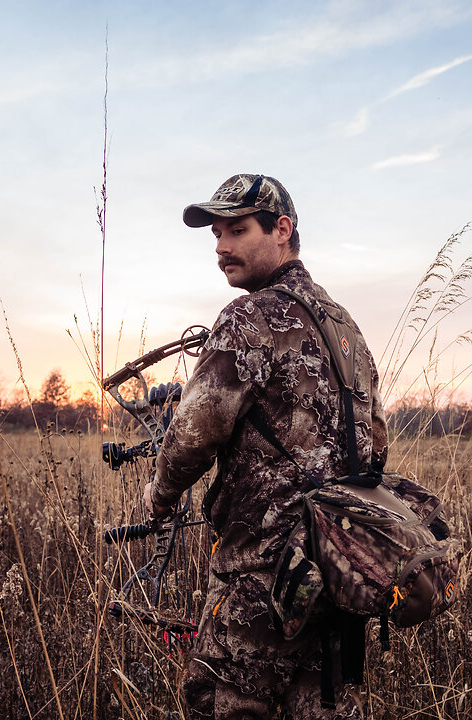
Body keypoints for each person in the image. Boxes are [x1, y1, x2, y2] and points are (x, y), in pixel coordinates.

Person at [142, 174, 388, 718]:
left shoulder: (248, 318)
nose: (221, 247)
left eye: (236, 230)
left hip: (264, 578)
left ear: (282, 230)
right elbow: (376, 445)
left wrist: (157, 498)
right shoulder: (345, 328)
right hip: (339, 575)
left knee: (219, 703)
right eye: (215, 235)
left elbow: (192, 434)